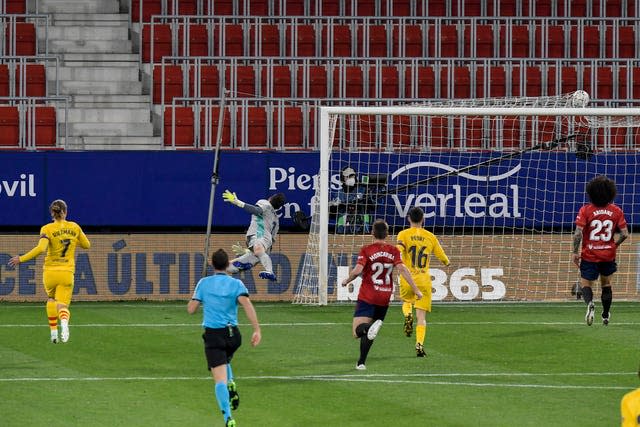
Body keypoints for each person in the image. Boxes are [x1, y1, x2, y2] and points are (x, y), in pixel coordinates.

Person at [187, 248, 261, 427]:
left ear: (211, 264)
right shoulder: (237, 285)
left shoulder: (203, 283)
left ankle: (228, 417)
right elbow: (247, 305)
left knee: (218, 378)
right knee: (225, 359)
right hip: (233, 336)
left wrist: (200, 296)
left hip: (214, 336)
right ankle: (232, 383)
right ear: (229, 264)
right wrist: (256, 329)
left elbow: (191, 309)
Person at [341, 219, 423, 370]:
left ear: (372, 233)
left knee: (357, 331)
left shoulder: (367, 250)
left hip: (368, 295)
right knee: (371, 333)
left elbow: (358, 270)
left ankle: (367, 331)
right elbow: (403, 270)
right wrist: (416, 290)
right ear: (387, 234)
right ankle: (361, 362)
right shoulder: (394, 251)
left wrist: (347, 280)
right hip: (385, 297)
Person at [8, 199, 90, 344]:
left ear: (52, 213)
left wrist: (21, 259)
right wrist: (72, 238)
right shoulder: (75, 227)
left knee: (51, 300)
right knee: (62, 306)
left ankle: (53, 333)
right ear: (65, 212)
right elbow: (87, 245)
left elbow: (41, 249)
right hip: (66, 273)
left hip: (50, 273)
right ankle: (64, 323)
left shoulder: (47, 229)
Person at [572, 175, 628, 326]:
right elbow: (625, 234)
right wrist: (614, 246)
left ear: (591, 193)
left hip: (590, 254)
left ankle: (590, 303)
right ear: (611, 193)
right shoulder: (616, 211)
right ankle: (605, 315)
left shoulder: (585, 210)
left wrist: (575, 251)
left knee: (586, 283)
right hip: (608, 255)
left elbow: (578, 233)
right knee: (606, 284)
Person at [396, 207, 450, 357]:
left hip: (407, 277)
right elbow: (442, 256)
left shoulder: (403, 234)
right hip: (423, 280)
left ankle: (407, 315)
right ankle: (419, 344)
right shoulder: (430, 236)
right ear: (423, 220)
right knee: (422, 317)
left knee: (406, 301)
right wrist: (447, 262)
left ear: (409, 219)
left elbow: (399, 249)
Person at [222, 190, 286, 282]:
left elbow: (256, 210)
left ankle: (270, 271)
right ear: (279, 207)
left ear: (270, 198)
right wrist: (247, 251)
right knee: (229, 267)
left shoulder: (265, 204)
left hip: (259, 236)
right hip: (265, 246)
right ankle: (247, 261)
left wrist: (238, 202)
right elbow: (271, 241)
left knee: (258, 250)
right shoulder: (276, 220)